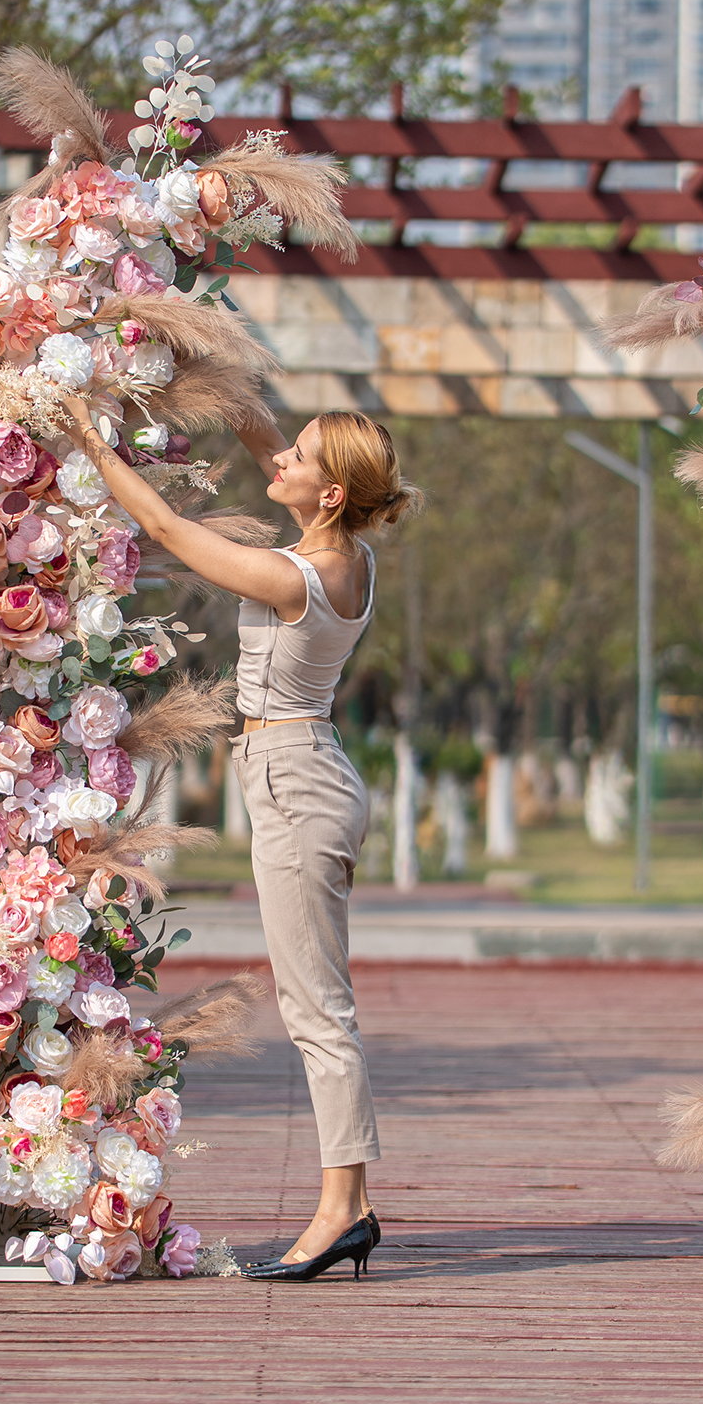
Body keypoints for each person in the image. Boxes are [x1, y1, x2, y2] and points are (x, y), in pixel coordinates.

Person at [70, 405, 420, 1282]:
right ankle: (352, 1204)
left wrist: (90, 441)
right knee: (317, 1006)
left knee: (317, 1013)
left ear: (330, 492)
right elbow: (276, 452)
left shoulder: (291, 576)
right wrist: (235, 399)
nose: (279, 458)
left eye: (296, 456)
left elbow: (162, 525)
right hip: (306, 769)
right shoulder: (352, 554)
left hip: (295, 783)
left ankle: (344, 1209)